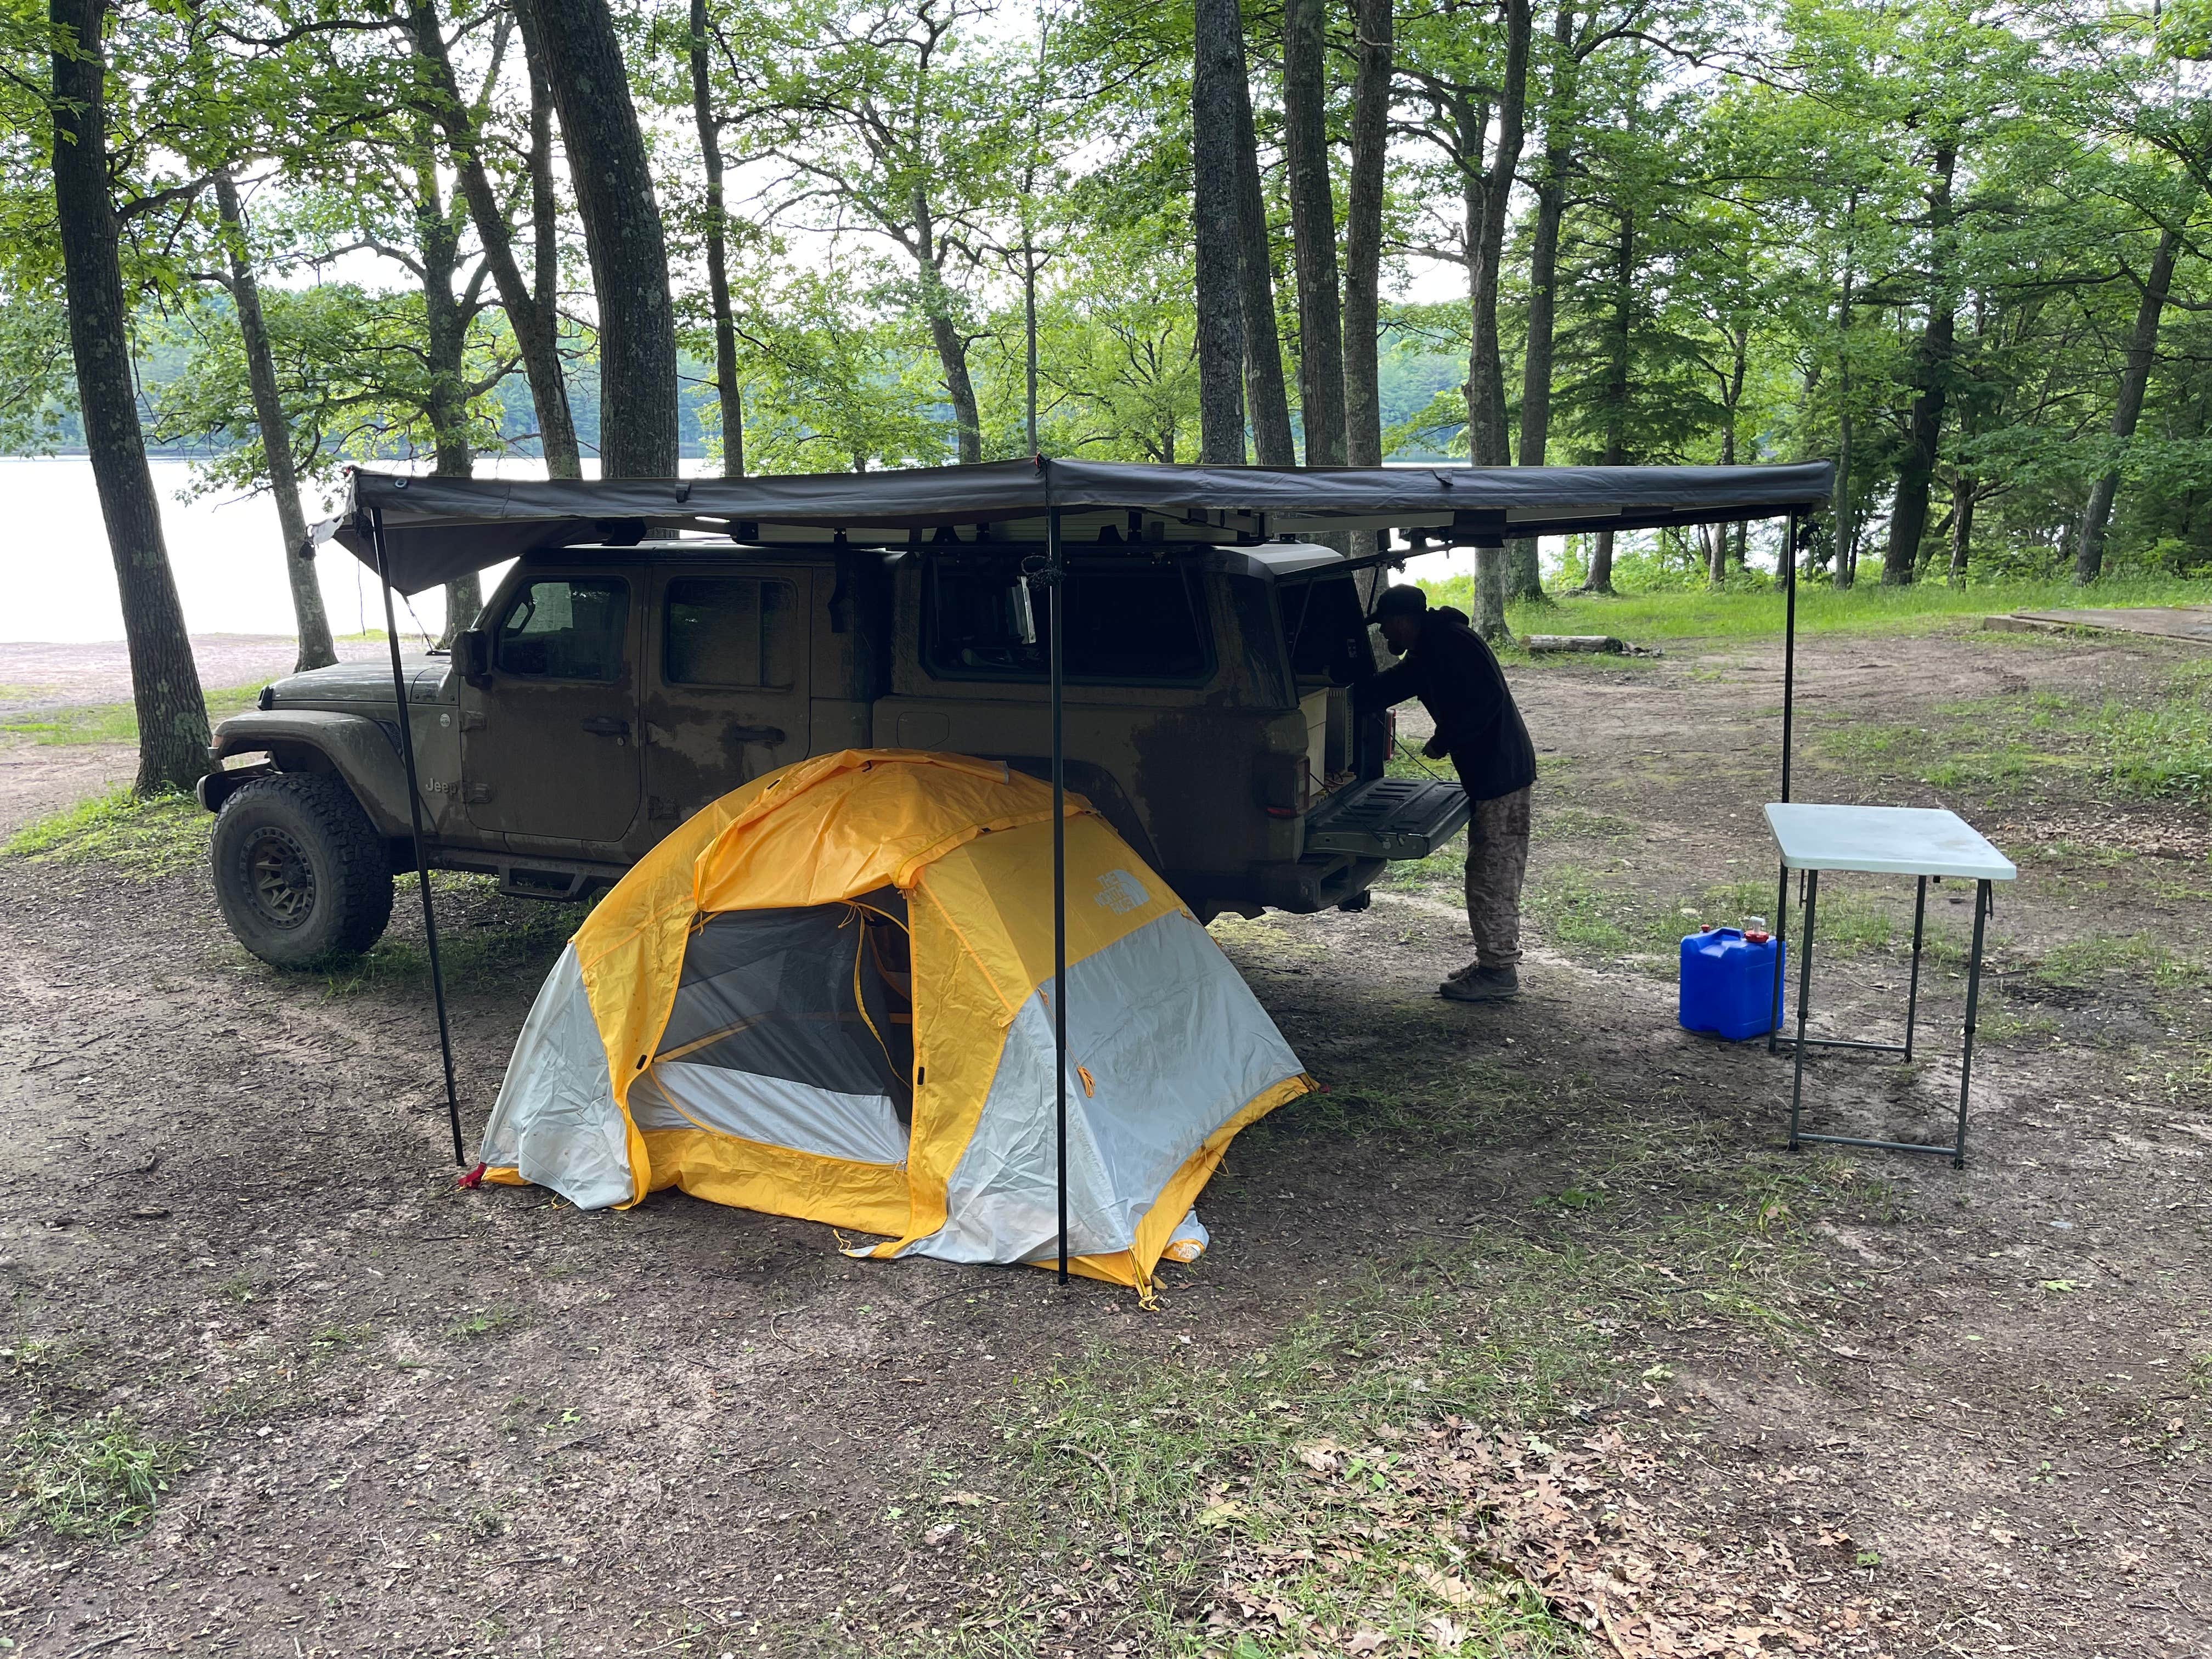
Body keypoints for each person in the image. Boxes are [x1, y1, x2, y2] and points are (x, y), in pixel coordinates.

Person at [1353, 584, 1536, 1002]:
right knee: (1488, 870)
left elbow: (1485, 700)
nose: (1385, 637)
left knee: (1493, 875)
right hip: (1493, 772)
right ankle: (1493, 961)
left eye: (1386, 628)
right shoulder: (1434, 646)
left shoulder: (1450, 645)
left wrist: (1443, 740)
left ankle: (1498, 972)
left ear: (1403, 622)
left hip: (1502, 775)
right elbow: (1387, 689)